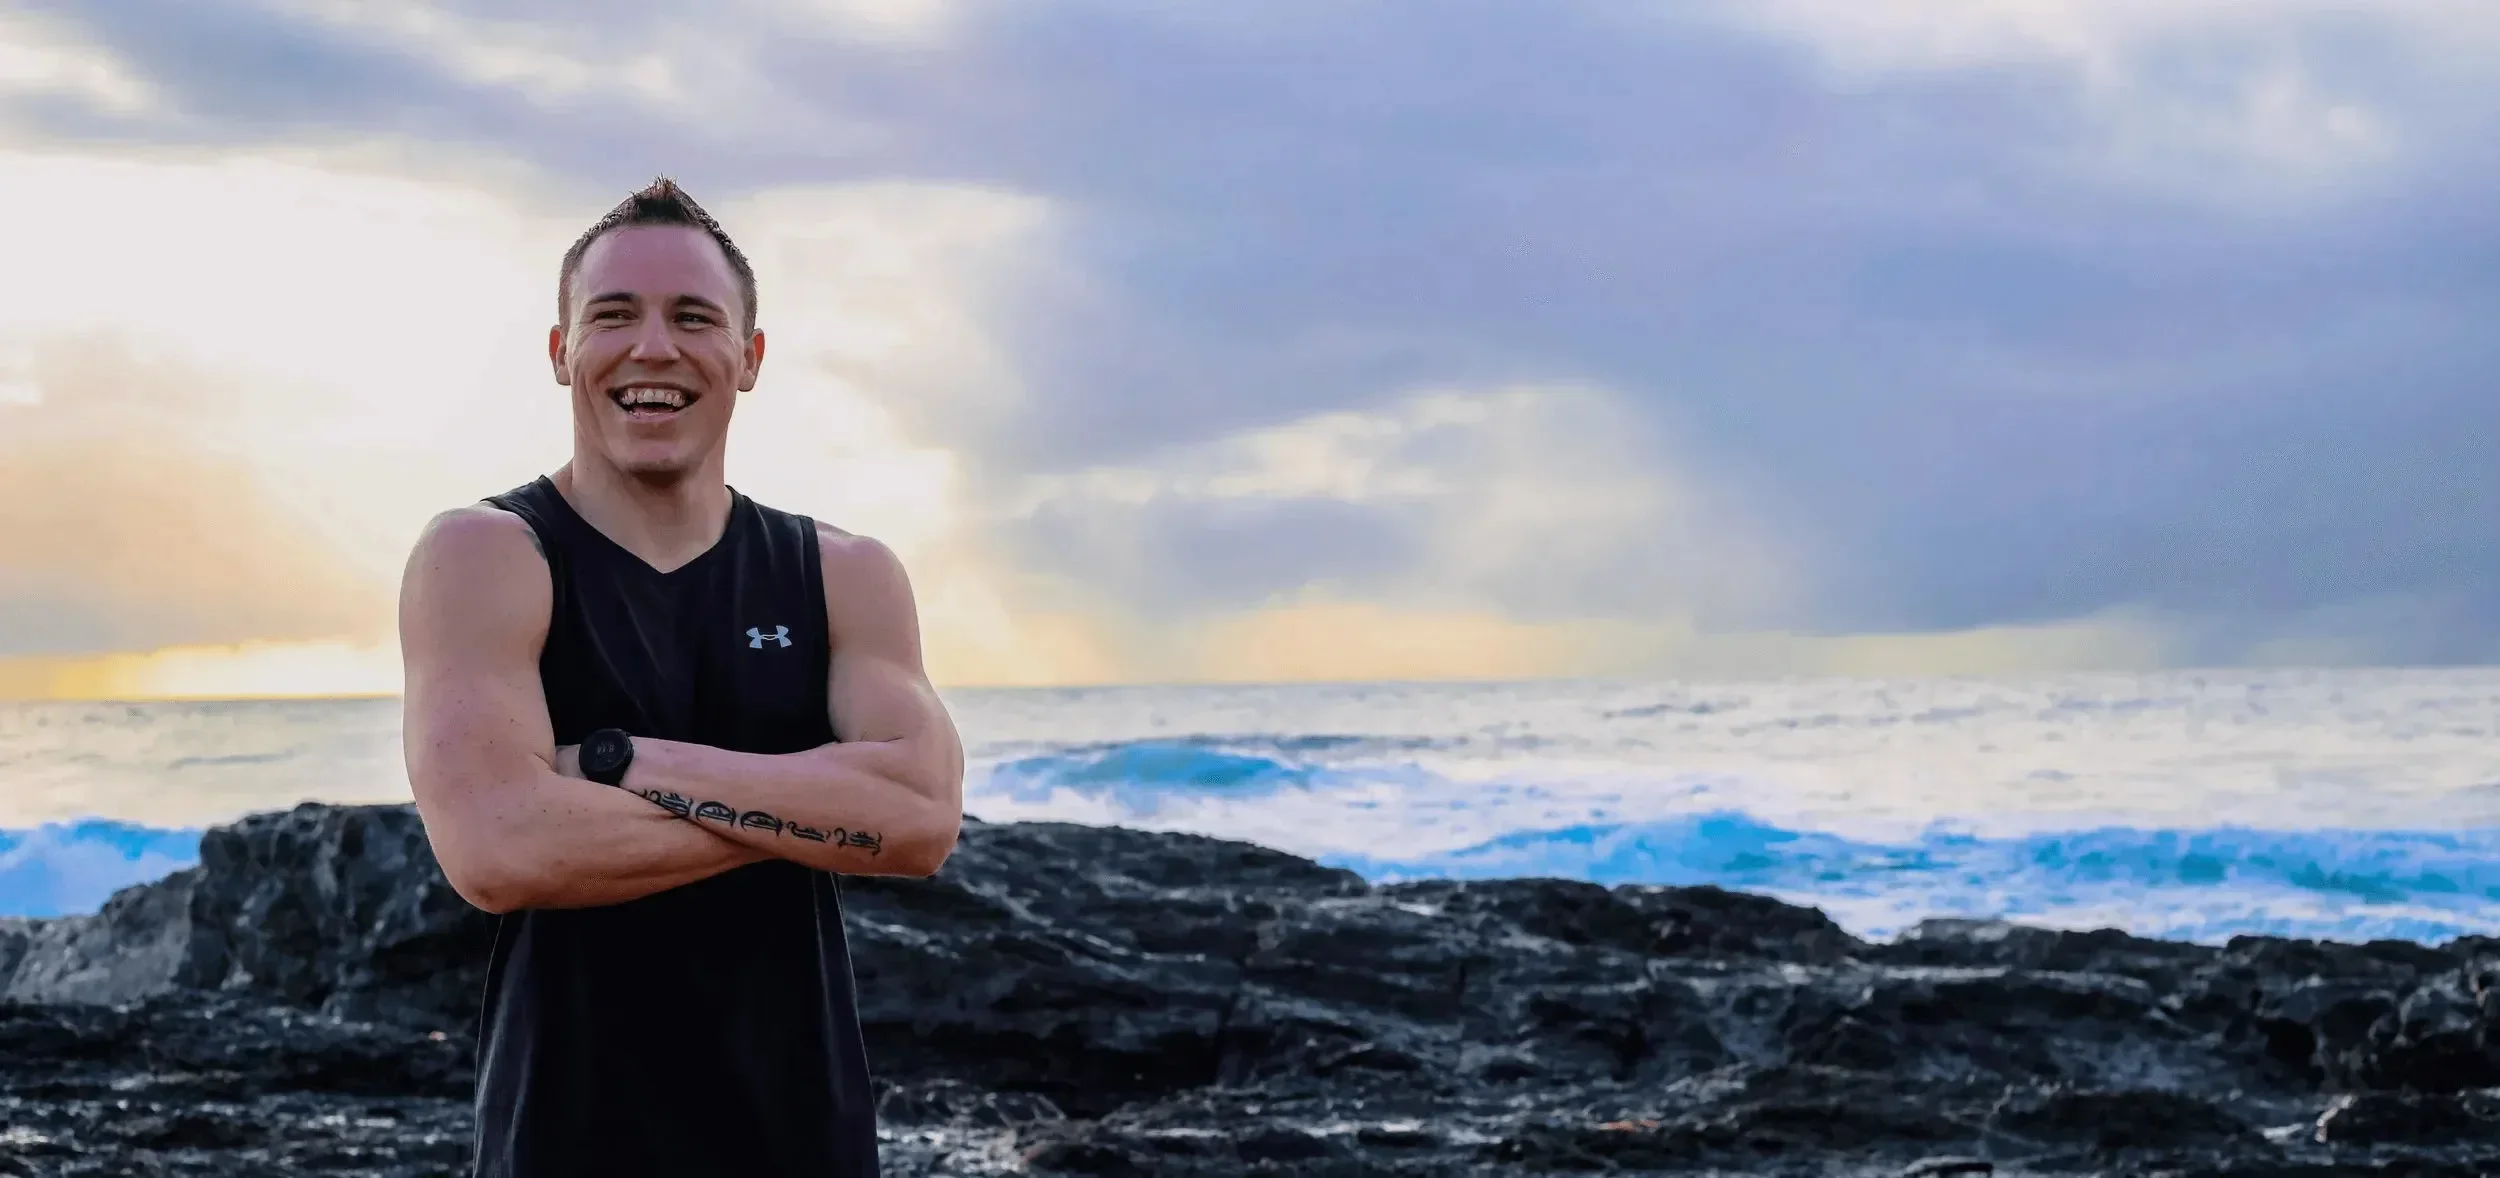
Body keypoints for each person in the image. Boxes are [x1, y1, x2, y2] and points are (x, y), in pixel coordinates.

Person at [397, 177, 965, 1178]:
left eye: (692, 317)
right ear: (559, 349)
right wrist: (818, 799)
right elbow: (496, 847)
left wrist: (614, 762)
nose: (652, 347)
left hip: (805, 1139)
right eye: (612, 315)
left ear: (747, 359)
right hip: (563, 1142)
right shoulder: (486, 554)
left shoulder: (843, 572)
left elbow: (919, 820)